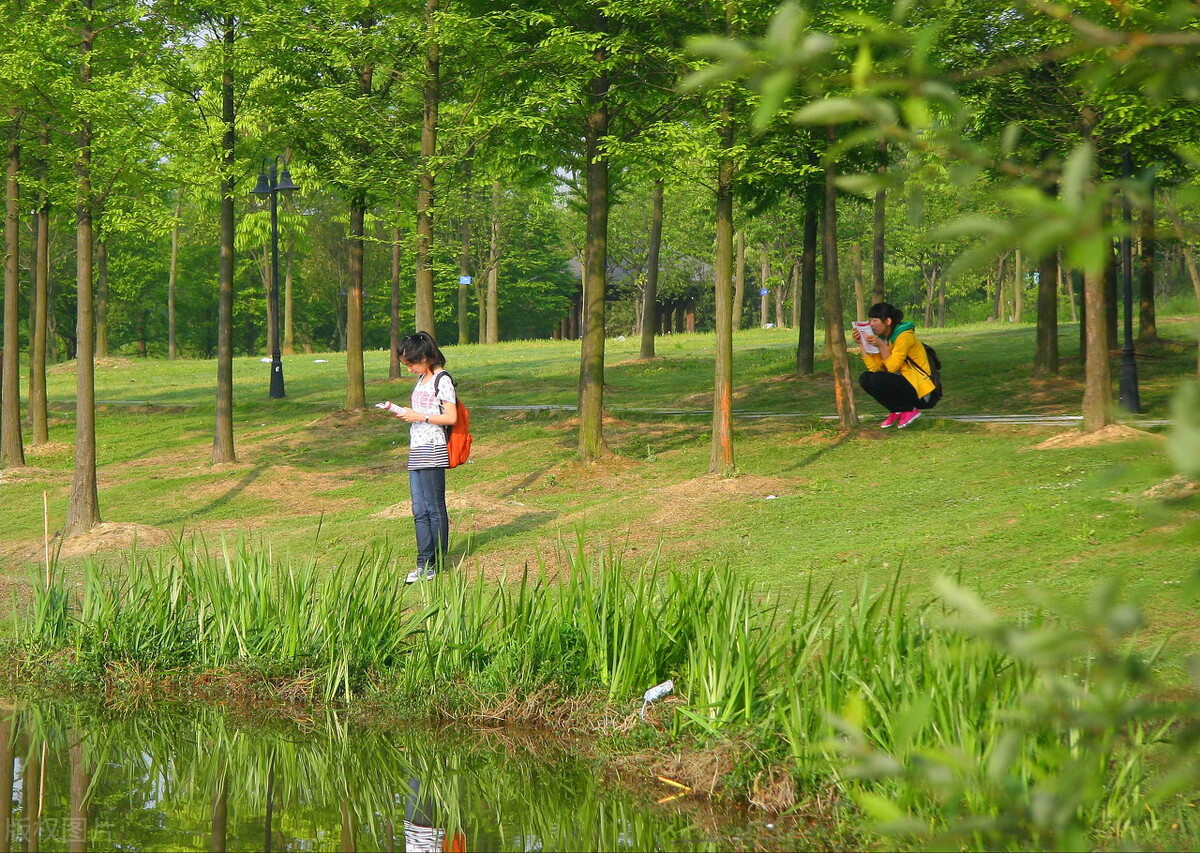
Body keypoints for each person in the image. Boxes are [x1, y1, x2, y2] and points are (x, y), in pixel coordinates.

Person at [381, 332, 459, 583]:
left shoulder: (441, 379)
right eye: (407, 365)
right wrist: (404, 412)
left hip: (433, 448)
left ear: (426, 356)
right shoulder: (422, 379)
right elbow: (422, 410)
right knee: (419, 510)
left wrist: (420, 417)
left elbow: (451, 417)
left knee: (434, 508)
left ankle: (435, 562)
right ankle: (423, 562)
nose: (410, 369)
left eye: (412, 363)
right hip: (416, 448)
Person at [853, 302, 936, 429]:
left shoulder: (904, 336)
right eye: (870, 320)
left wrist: (881, 346)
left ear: (887, 321)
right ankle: (895, 411)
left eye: (875, 320)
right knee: (865, 378)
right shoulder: (882, 338)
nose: (871, 324)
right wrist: (861, 344)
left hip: (922, 392)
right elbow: (874, 368)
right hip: (904, 385)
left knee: (878, 378)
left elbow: (892, 368)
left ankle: (910, 410)